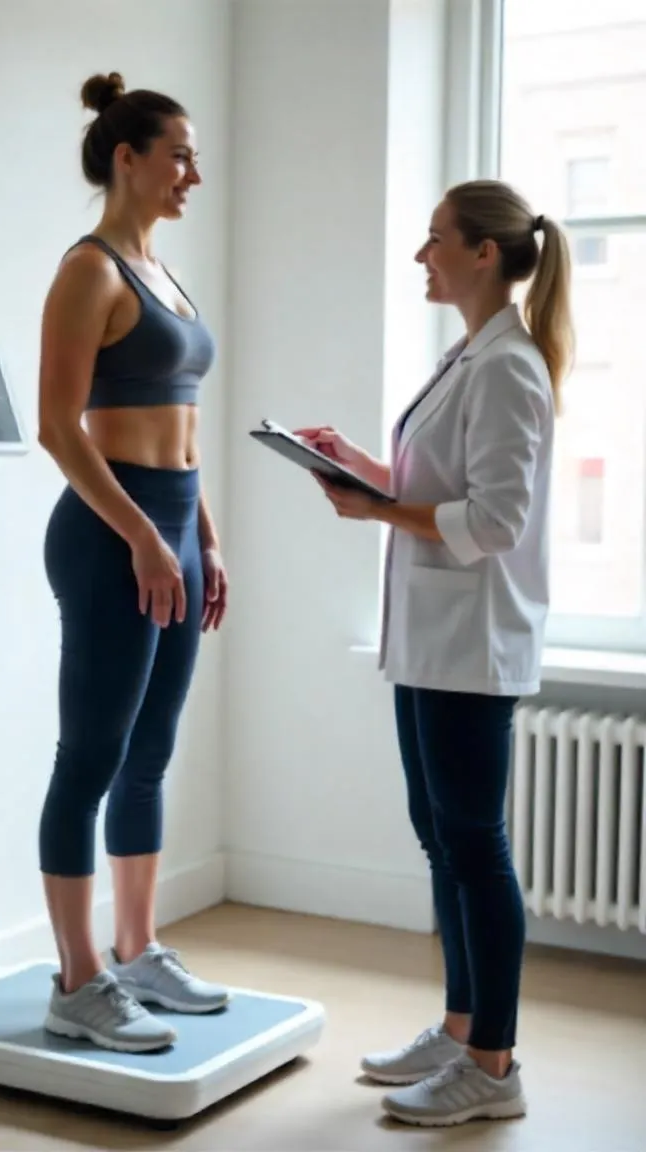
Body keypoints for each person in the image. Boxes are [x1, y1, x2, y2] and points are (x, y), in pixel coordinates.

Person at [298, 179, 573, 1127]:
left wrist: (380, 509)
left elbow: (495, 521)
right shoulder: (469, 356)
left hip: (471, 640)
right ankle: (461, 1030)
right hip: (428, 639)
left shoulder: (508, 367)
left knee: (474, 847)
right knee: (441, 837)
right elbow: (442, 484)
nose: (423, 256)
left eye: (435, 240)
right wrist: (368, 471)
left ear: (484, 254)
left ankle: (493, 1068)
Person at [36, 71, 229, 1054]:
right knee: (92, 756)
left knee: (151, 750)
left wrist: (204, 535)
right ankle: (78, 980)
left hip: (175, 531)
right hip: (112, 534)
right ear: (129, 157)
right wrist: (145, 537)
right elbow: (58, 429)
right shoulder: (92, 270)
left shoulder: (166, 272)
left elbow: (186, 426)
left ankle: (138, 946)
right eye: (180, 153)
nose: (193, 171)